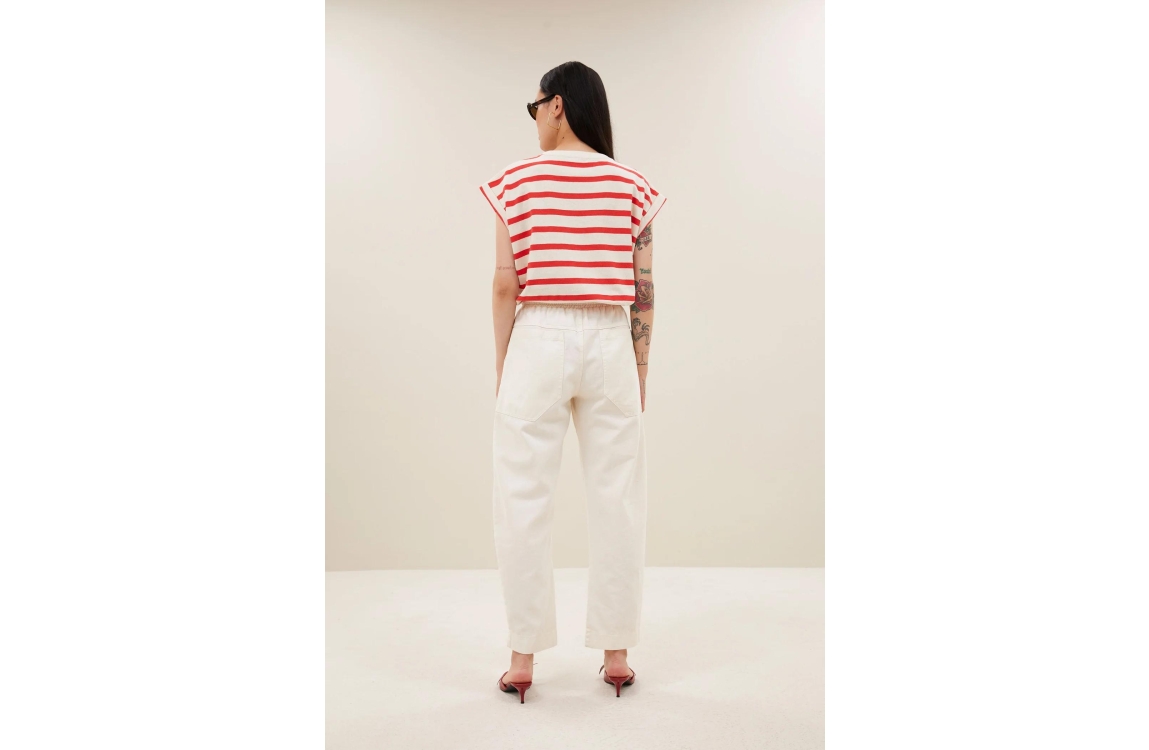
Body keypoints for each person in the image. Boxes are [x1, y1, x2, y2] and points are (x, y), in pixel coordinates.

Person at [479, 61, 666, 702]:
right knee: (618, 496)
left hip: (538, 336)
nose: (534, 120)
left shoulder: (516, 182)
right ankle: (616, 655)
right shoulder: (632, 185)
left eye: (535, 107)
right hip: (611, 339)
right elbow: (644, 289)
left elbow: (504, 285)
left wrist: (504, 364)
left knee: (522, 495)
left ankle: (522, 659)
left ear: (557, 105)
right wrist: (640, 369)